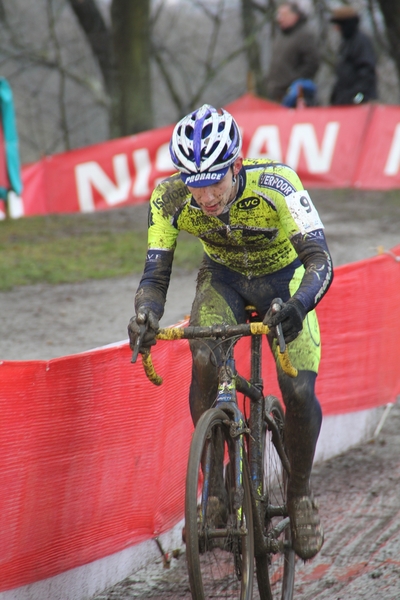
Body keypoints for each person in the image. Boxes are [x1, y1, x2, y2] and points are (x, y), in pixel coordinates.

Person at [128, 104, 333, 561]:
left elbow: (320, 260)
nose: (205, 196)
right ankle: (216, 486)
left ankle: (299, 494)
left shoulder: (277, 182)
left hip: (286, 279)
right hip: (222, 279)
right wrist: (144, 315)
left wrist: (299, 305)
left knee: (298, 391)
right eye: (195, 183)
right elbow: (154, 278)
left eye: (215, 180)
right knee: (203, 357)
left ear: (237, 164)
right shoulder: (168, 198)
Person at [266, 0, 320, 107]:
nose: (279, 19)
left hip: (295, 96)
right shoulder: (281, 36)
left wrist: (296, 82)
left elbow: (312, 63)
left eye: (283, 15)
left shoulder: (305, 35)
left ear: (295, 16)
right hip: (276, 94)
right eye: (279, 15)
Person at [330, 6, 378, 105]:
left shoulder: (361, 42)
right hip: (345, 99)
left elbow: (367, 71)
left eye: (338, 25)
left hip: (359, 100)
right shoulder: (346, 43)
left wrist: (357, 96)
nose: (336, 29)